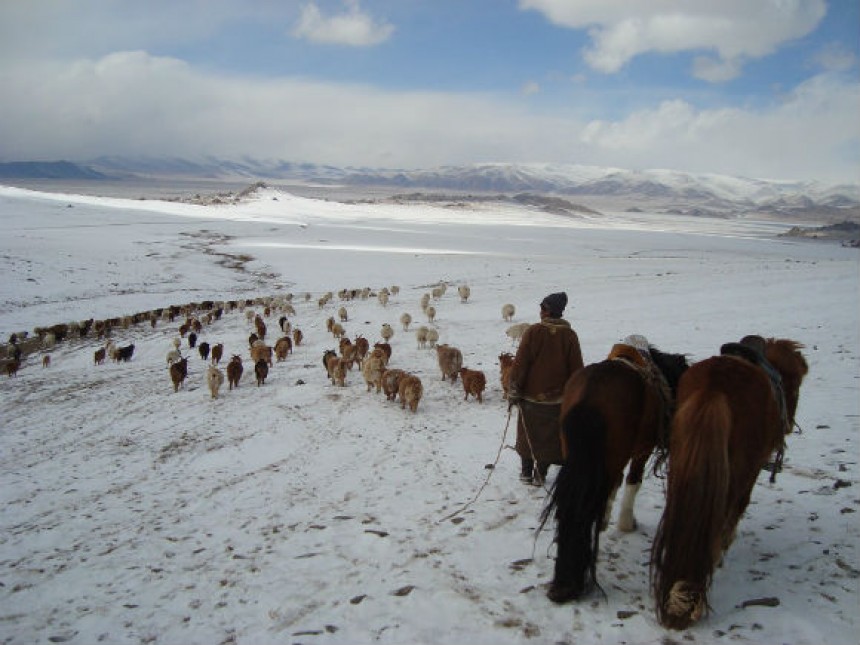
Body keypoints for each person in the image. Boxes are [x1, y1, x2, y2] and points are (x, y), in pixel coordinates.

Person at [507, 291, 584, 485]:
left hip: (531, 398)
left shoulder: (534, 332)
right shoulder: (570, 336)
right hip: (556, 401)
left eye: (542, 308)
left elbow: (520, 364)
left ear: (548, 311)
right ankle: (540, 475)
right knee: (549, 440)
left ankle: (526, 473)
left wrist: (514, 389)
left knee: (527, 435)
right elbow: (577, 370)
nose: (540, 312)